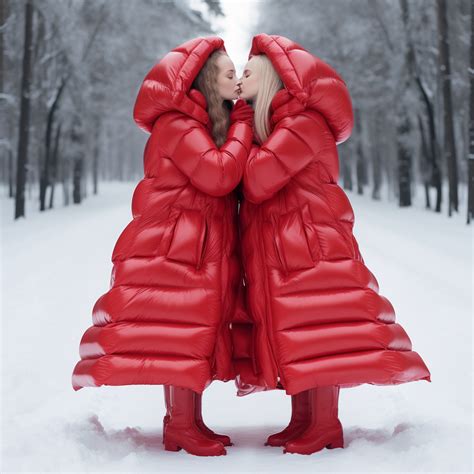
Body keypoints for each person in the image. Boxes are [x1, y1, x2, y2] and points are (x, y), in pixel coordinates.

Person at [231, 33, 432, 455]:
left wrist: (241, 123)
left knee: (317, 333)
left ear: (268, 79)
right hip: (289, 247)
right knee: (298, 334)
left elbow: (257, 180)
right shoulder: (280, 125)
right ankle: (303, 419)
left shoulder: (303, 124)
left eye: (247, 73)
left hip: (310, 246)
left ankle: (324, 424)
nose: (239, 80)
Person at [71, 36, 254, 457]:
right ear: (209, 81)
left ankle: (187, 422)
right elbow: (219, 176)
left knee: (194, 334)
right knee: (184, 335)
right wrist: (243, 123)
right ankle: (181, 427)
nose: (237, 82)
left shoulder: (200, 124)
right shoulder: (178, 125)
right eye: (229, 75)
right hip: (177, 247)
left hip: (196, 244)